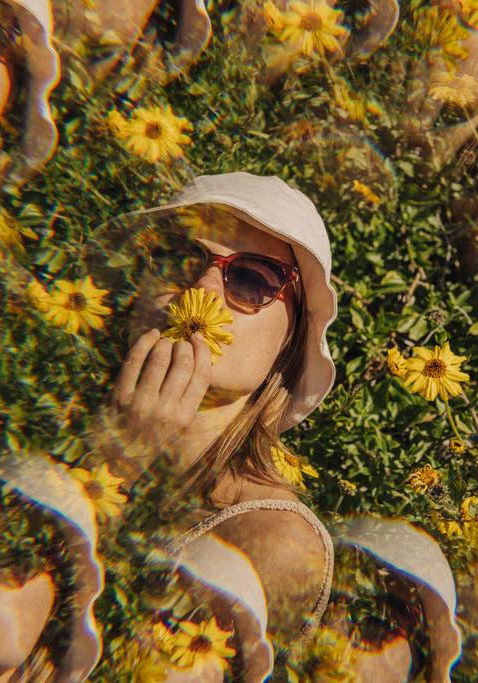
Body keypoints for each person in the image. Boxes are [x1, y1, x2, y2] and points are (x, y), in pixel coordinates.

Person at [106, 172, 338, 654]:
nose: (202, 289)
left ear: (289, 345)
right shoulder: (47, 419)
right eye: (180, 257)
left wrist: (114, 464)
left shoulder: (277, 541)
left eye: (252, 279)